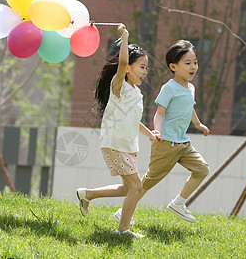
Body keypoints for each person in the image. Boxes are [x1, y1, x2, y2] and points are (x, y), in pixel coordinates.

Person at [113, 40, 210, 223]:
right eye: (187, 63)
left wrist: (198, 124)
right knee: (147, 182)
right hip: (166, 143)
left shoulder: (191, 88)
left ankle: (178, 203)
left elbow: (190, 108)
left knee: (202, 169)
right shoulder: (169, 88)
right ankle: (123, 212)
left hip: (183, 143)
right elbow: (159, 113)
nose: (193, 67)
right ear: (173, 66)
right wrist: (157, 132)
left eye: (195, 62)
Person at [76, 24, 158, 238]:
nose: (145, 72)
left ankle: (87, 195)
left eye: (147, 68)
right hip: (115, 144)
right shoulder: (118, 85)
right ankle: (123, 230)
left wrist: (150, 134)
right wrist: (125, 37)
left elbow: (133, 121)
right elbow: (121, 61)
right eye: (142, 67)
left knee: (127, 189)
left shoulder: (136, 93)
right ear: (129, 68)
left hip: (128, 146)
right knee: (136, 188)